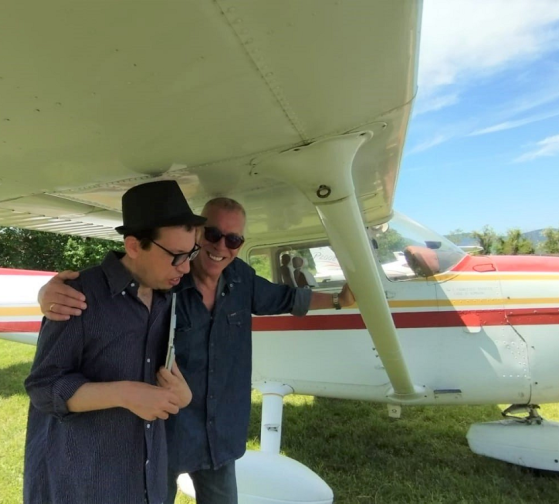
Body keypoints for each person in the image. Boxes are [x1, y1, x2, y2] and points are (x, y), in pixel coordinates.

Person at [39, 196, 355, 504]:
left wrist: (339, 300)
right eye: (213, 234)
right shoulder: (165, 280)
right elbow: (124, 279)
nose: (221, 247)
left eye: (233, 240)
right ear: (199, 235)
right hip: (164, 433)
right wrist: (49, 292)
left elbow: (286, 298)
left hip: (220, 433)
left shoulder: (240, 279)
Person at [23, 180, 205, 504]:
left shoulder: (168, 293)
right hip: (86, 482)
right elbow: (43, 388)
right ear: (134, 246)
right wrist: (125, 393)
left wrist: (183, 394)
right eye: (177, 256)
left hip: (146, 478)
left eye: (191, 253)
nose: (186, 267)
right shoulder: (76, 296)